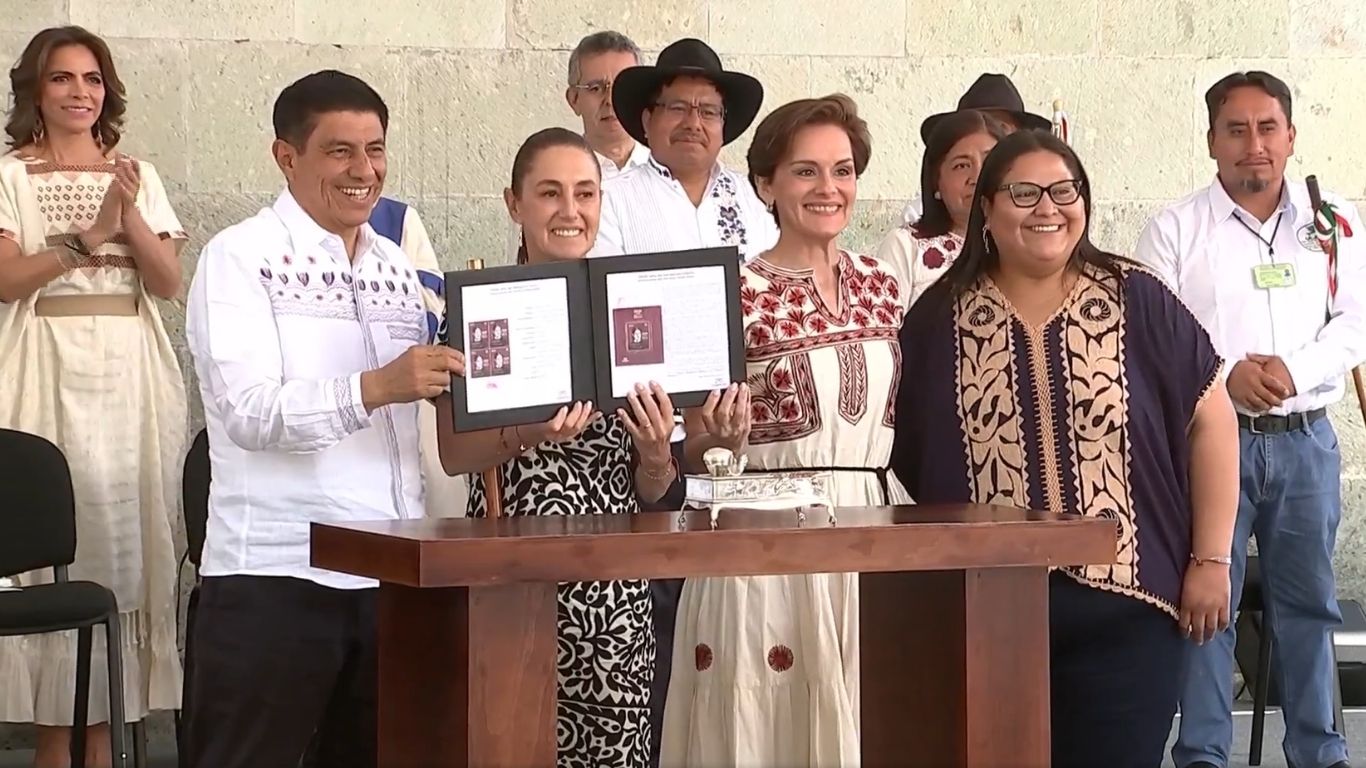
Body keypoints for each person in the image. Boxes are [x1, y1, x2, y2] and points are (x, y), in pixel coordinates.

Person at [890, 128, 1239, 768]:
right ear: (986, 209)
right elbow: (905, 459)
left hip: (1130, 608)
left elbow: (1210, 416)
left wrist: (1212, 560)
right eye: (1023, 193)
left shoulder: (1137, 296)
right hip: (983, 615)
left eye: (1064, 190)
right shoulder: (937, 319)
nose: (1048, 207)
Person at [182, 69, 464, 768]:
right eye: (340, 151)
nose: (363, 170)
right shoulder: (237, 258)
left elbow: (412, 416)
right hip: (276, 575)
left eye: (375, 149)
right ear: (287, 156)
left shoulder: (397, 267)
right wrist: (374, 387)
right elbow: (248, 412)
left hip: (389, 577)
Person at [662, 93, 910, 767]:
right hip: (762, 539)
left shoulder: (883, 283)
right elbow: (694, 449)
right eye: (805, 171)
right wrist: (720, 443)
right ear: (766, 183)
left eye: (843, 170)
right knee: (762, 731)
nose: (828, 188)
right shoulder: (733, 292)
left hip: (869, 531)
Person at [1136, 70, 1361, 768]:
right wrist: (1226, 372)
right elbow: (1154, 335)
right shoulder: (1174, 230)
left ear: (1291, 136)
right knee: (1206, 610)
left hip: (1306, 444)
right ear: (1211, 142)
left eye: (1267, 128)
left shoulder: (1334, 224)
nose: (1253, 144)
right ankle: (1202, 754)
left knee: (1310, 610)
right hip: (1211, 445)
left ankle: (1320, 754)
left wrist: (1292, 371)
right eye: (1236, 129)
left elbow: (1355, 325)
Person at [434, 126, 678, 767]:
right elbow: (455, 455)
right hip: (511, 582)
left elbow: (651, 490)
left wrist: (657, 455)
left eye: (586, 193)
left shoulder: (630, 309)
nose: (570, 211)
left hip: (613, 603)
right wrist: (528, 433)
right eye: (549, 193)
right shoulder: (477, 307)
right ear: (514, 203)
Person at [0, 26, 187, 768]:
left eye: (92, 78)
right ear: (34, 91)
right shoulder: (10, 173)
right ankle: (58, 740)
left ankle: (100, 738)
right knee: (56, 548)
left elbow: (168, 283)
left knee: (121, 547)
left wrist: (126, 215)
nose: (80, 92)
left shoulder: (136, 172)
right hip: (47, 364)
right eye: (61, 79)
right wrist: (85, 238)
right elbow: (7, 282)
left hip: (127, 377)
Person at [589, 37, 778, 262]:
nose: (693, 123)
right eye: (677, 108)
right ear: (648, 121)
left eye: (708, 111)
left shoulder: (752, 196)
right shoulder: (608, 200)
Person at [874, 109, 1008, 305]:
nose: (978, 177)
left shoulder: (1022, 245)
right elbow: (885, 332)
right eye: (961, 166)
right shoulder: (905, 246)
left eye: (989, 162)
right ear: (936, 183)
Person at [899, 73, 1050, 226]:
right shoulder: (913, 223)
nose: (986, 132)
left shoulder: (1043, 211)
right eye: (962, 165)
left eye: (999, 128)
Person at [566, 30, 650, 179]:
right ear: (574, 99)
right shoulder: (561, 174)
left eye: (623, 87)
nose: (610, 101)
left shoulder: (668, 170)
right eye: (596, 88)